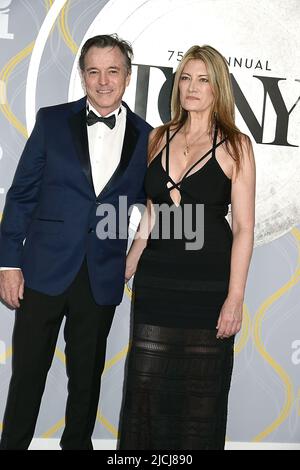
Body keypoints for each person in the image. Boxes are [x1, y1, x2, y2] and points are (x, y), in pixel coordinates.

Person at [0, 34, 151, 450]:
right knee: (27, 375)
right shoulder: (52, 121)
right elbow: (21, 195)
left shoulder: (147, 137)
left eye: (113, 71)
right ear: (83, 76)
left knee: (86, 381)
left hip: (100, 275)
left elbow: (155, 205)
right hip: (42, 271)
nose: (104, 81)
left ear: (127, 76)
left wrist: (135, 252)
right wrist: (8, 263)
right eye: (94, 71)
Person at [118, 45, 255, 450]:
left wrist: (235, 297)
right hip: (157, 283)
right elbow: (152, 212)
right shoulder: (159, 137)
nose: (192, 87)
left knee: (201, 396)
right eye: (185, 78)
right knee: (145, 389)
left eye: (203, 79)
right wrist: (132, 259)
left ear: (218, 88)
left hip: (208, 287)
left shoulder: (236, 145)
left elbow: (245, 227)